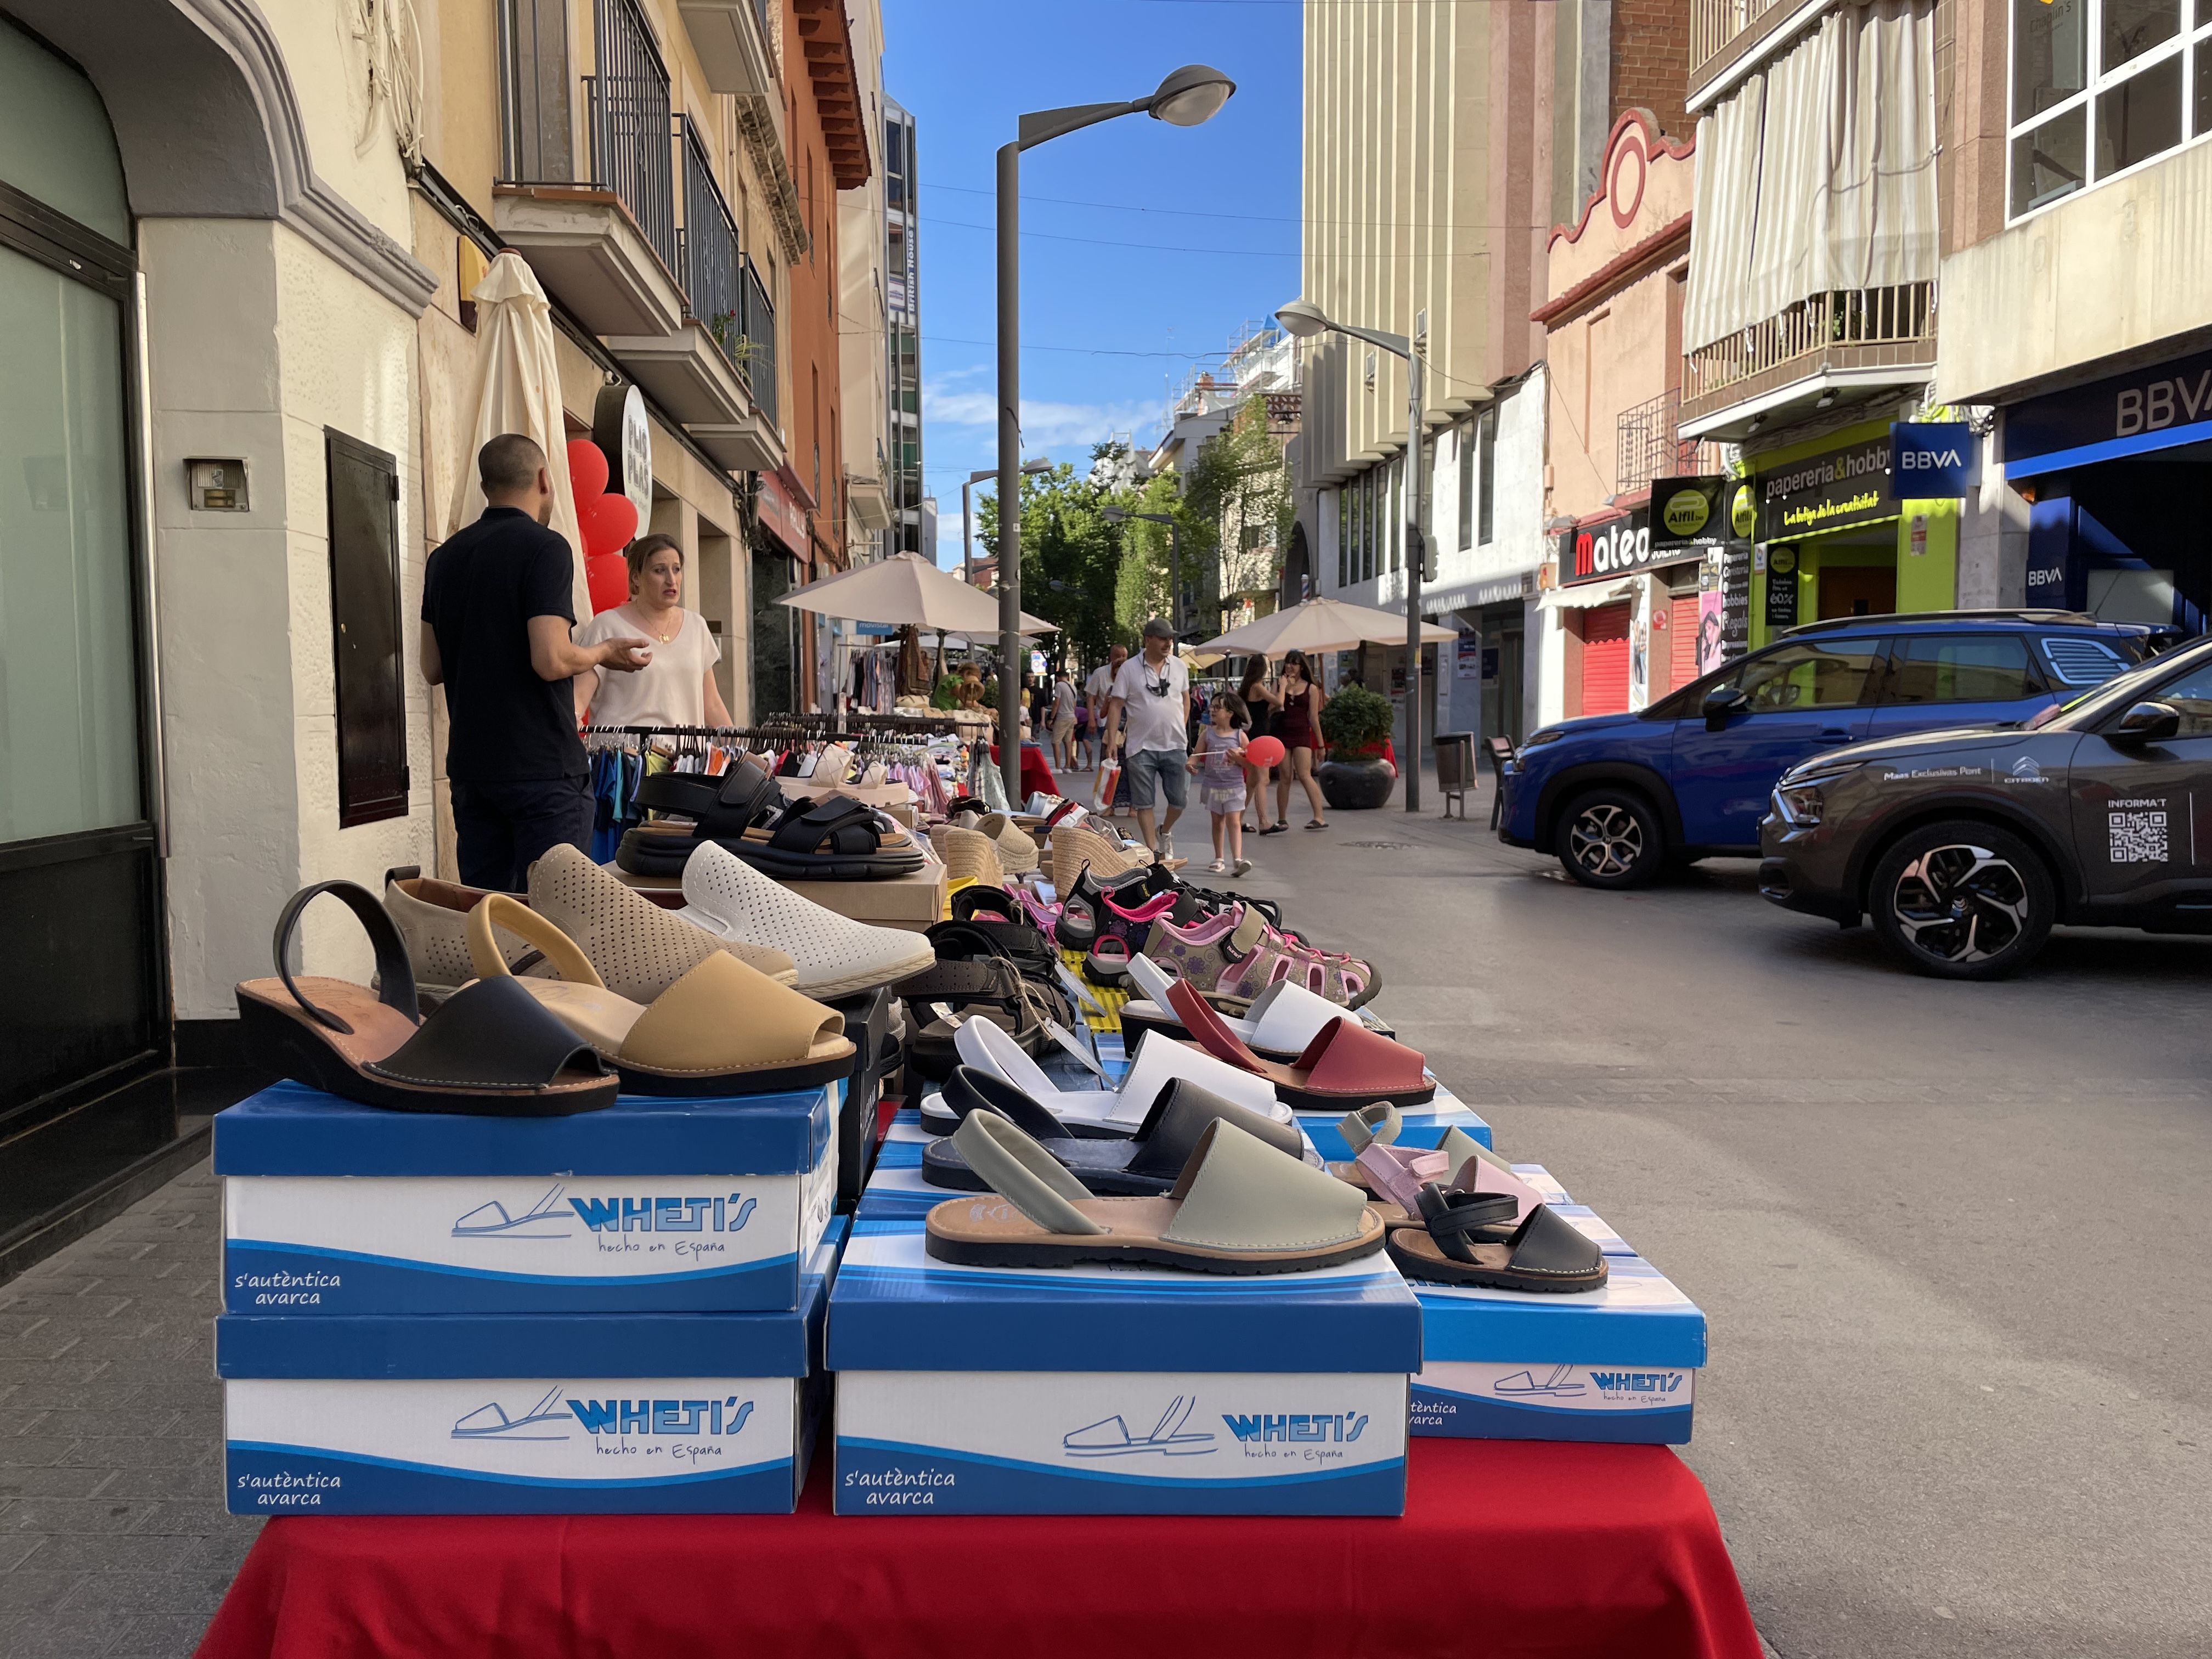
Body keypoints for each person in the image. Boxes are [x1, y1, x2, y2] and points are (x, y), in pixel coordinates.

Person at [420, 433, 650, 891]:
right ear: (545, 480)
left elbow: (431, 667)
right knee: (555, 918)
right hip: (542, 769)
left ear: (486, 485)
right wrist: (604, 653)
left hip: (473, 769)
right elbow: (550, 658)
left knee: (490, 915)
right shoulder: (546, 547)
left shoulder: (444, 558)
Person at [574, 533, 730, 729]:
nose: (671, 580)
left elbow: (712, 705)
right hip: (627, 756)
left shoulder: (696, 626)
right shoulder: (607, 625)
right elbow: (577, 700)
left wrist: (746, 753)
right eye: (659, 571)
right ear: (636, 578)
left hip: (684, 757)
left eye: (676, 570)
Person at [1103, 618, 1191, 860]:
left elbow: (1186, 700)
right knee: (1144, 803)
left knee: (1180, 799)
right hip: (1140, 747)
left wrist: (1180, 727)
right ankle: (1153, 852)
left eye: (1171, 639)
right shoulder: (1130, 669)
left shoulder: (1179, 667)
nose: (1168, 643)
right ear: (1148, 640)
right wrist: (1112, 740)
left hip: (1175, 745)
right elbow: (1116, 705)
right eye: (1163, 638)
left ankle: (1165, 830)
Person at [1188, 690, 1250, 876]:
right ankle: (1219, 857)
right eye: (1212, 707)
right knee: (1217, 822)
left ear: (1230, 713)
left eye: (1218, 707)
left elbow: (1251, 762)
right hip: (1213, 785)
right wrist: (1190, 764)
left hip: (1235, 786)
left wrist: (1238, 759)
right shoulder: (1207, 734)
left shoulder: (1240, 736)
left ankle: (1238, 860)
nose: (1212, 710)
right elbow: (1196, 755)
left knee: (1234, 821)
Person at [1272, 648, 1329, 832]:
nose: (1289, 666)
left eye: (1294, 663)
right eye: (1288, 662)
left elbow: (1314, 717)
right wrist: (1282, 687)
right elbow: (1272, 708)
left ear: (1302, 666)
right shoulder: (1278, 684)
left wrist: (1321, 744)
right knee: (1285, 777)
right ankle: (1282, 819)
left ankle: (1319, 817)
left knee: (1305, 775)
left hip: (1302, 734)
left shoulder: (1312, 689)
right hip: (1281, 734)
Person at [1237, 656, 1282, 833]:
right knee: (1263, 779)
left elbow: (1266, 707)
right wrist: (1283, 686)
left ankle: (1239, 819)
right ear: (1262, 670)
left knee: (1253, 781)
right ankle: (1264, 821)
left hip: (1255, 734)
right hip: (1260, 736)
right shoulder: (1257, 687)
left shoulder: (1249, 687)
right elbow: (1279, 702)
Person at [1050, 669, 1079, 772]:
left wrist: (1052, 718)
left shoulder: (1059, 686)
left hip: (1062, 716)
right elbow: (1075, 704)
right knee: (1068, 741)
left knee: (1055, 741)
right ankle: (1067, 766)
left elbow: (1056, 703)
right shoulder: (1073, 687)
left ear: (1058, 678)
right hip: (1072, 716)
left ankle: (1058, 767)